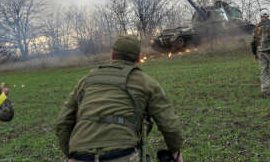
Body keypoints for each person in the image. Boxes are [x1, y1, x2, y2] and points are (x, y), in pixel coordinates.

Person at [56, 35, 184, 162]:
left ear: (113, 55)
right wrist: (175, 152)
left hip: (80, 155)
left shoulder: (85, 81)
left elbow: (63, 122)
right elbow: (170, 125)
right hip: (123, 155)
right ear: (138, 58)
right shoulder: (147, 83)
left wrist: (71, 154)